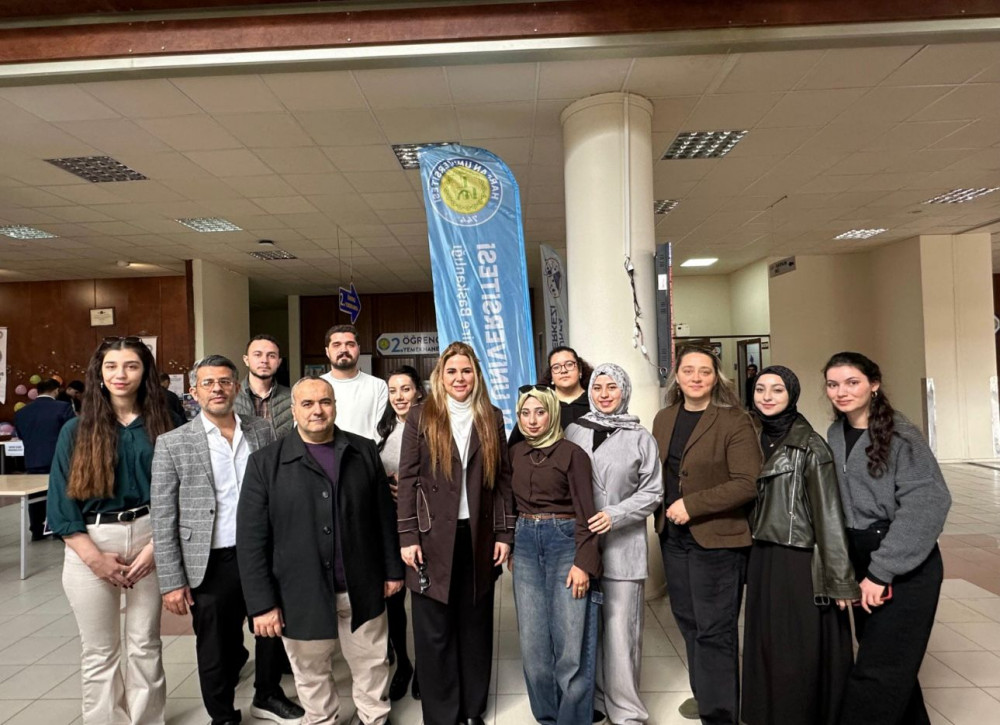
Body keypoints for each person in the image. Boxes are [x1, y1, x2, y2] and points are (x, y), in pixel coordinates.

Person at [237, 376, 404, 725]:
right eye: (308, 403)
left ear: (335, 406)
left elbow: (383, 517)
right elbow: (252, 541)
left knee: (372, 663)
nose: (317, 410)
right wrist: (262, 604)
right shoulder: (266, 463)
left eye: (325, 402)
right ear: (293, 409)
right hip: (300, 592)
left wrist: (392, 570)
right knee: (310, 671)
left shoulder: (363, 451)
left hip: (361, 585)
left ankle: (374, 718)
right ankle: (322, 719)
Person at [151, 355, 304, 725]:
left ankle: (267, 695)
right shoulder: (173, 443)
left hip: (262, 553)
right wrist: (171, 581)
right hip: (210, 559)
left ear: (237, 388)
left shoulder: (261, 431)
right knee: (216, 646)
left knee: (271, 630)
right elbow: (163, 515)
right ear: (194, 391)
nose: (217, 389)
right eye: (208, 383)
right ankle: (222, 715)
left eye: (224, 382)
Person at [46, 336, 174, 724]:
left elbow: (182, 489)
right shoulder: (76, 430)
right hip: (92, 540)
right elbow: (61, 501)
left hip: (152, 535)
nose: (121, 374)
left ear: (145, 372)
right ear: (99, 374)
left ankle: (146, 719)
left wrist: (157, 547)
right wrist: (95, 559)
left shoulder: (166, 424)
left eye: (131, 366)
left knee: (145, 642)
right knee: (100, 650)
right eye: (111, 366)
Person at [823, 352, 951, 725]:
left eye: (852, 382)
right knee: (891, 666)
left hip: (903, 565)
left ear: (874, 384)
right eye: (833, 384)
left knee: (876, 672)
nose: (841, 392)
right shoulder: (835, 434)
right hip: (861, 558)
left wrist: (881, 572)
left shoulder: (901, 435)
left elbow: (928, 504)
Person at [397, 342, 515, 725]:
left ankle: (471, 709)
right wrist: (408, 537)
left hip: (478, 536)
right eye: (452, 371)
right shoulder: (422, 415)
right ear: (440, 376)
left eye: (466, 371)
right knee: (435, 630)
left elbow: (502, 481)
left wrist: (504, 534)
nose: (459, 378)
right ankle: (442, 714)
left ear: (476, 376)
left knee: (475, 626)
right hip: (431, 538)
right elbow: (408, 479)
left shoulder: (491, 416)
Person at [741, 365, 857, 725]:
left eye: (777, 390)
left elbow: (829, 516)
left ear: (792, 394)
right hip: (762, 553)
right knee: (765, 642)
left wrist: (839, 579)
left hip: (797, 556)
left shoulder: (809, 445)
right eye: (760, 389)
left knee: (795, 645)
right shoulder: (748, 437)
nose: (767, 397)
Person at [652, 345, 761, 725]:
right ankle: (706, 696)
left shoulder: (734, 421)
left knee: (715, 628)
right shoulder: (664, 418)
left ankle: (720, 714)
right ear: (677, 377)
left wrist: (692, 505)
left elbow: (747, 483)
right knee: (688, 621)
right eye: (688, 370)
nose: (696, 377)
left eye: (705, 371)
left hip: (718, 540)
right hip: (673, 538)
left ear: (716, 378)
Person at [565, 363, 663, 725]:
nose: (604, 394)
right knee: (587, 630)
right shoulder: (574, 430)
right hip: (580, 547)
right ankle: (596, 701)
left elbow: (653, 492)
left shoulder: (641, 437)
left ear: (624, 391)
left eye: (612, 387)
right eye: (598, 387)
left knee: (621, 632)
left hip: (623, 546)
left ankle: (626, 712)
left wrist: (615, 514)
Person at [510, 385, 601, 725]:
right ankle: (547, 717)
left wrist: (583, 562)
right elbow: (507, 503)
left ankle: (573, 719)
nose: (532, 420)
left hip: (565, 541)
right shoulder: (514, 453)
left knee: (569, 642)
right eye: (525, 413)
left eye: (540, 412)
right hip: (525, 542)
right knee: (533, 645)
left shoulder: (572, 454)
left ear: (553, 413)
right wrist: (511, 543)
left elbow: (587, 512)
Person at [376, 365, 424, 702]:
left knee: (422, 600)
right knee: (393, 599)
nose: (399, 396)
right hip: (391, 526)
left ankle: (425, 668)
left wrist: (410, 489)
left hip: (423, 527)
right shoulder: (386, 429)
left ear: (419, 391)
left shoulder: (430, 426)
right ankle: (403, 664)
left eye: (405, 389)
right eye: (393, 391)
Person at [14, 377, 74, 539]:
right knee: (59, 493)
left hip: (32, 460)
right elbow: (72, 433)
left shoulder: (21, 412)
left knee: (35, 496)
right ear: (56, 391)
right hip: (58, 459)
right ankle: (58, 528)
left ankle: (36, 529)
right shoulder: (63, 407)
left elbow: (21, 435)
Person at [509, 346, 594, 447]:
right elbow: (514, 447)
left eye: (569, 364)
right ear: (551, 375)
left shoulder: (596, 402)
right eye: (556, 367)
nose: (563, 370)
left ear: (580, 370)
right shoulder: (538, 403)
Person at [320, 324, 388, 440]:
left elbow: (381, 430)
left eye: (350, 344)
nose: (344, 350)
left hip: (367, 451)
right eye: (336, 345)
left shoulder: (378, 386)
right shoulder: (314, 387)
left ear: (359, 349)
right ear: (327, 351)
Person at [234, 333, 294, 437]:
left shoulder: (292, 398)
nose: (264, 361)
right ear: (246, 360)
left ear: (279, 362)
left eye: (271, 356)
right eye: (257, 355)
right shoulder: (230, 398)